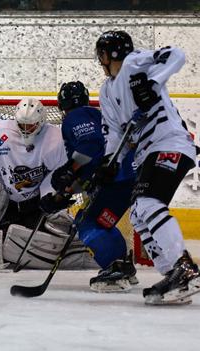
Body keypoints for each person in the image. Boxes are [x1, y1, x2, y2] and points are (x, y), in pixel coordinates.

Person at [95, 30, 199, 304]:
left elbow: (176, 55)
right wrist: (110, 162)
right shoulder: (106, 91)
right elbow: (116, 134)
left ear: (110, 53)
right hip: (146, 152)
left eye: (102, 53)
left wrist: (152, 83)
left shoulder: (134, 62)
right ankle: (172, 275)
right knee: (139, 215)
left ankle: (184, 268)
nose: (100, 59)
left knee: (149, 202)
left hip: (170, 141)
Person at [0, 97, 98, 272]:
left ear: (42, 121)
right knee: (1, 238)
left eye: (32, 125)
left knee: (55, 238)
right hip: (10, 203)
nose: (27, 129)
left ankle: (84, 252)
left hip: (37, 205)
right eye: (22, 125)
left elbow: (56, 175)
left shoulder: (55, 138)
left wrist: (50, 199)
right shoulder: (0, 133)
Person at [44, 81, 138, 292]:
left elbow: (90, 146)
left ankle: (117, 270)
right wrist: (60, 197)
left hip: (117, 178)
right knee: (101, 222)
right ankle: (122, 265)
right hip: (128, 176)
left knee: (87, 222)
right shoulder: (97, 116)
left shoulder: (75, 117)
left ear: (62, 105)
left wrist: (69, 170)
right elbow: (90, 169)